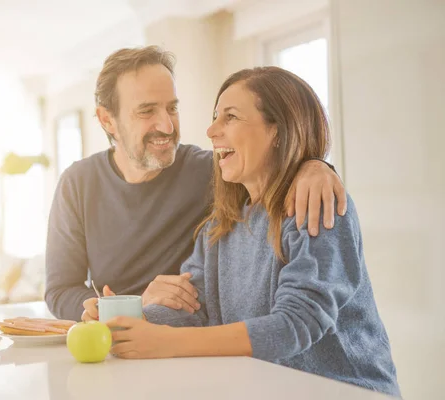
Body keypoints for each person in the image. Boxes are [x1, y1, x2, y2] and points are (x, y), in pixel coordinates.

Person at [82, 66, 400, 397]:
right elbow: (193, 310)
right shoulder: (220, 229)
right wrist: (122, 321)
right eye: (215, 116)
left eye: (230, 117)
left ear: (277, 129)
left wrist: (168, 342)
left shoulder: (313, 204)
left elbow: (296, 325)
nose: (211, 130)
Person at [45, 46, 347, 323]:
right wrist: (129, 307)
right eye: (147, 111)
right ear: (107, 120)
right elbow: (60, 290)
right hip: (120, 338)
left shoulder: (212, 171)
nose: (167, 126)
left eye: (172, 108)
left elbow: (272, 164)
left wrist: (315, 165)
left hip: (185, 338)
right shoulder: (77, 184)